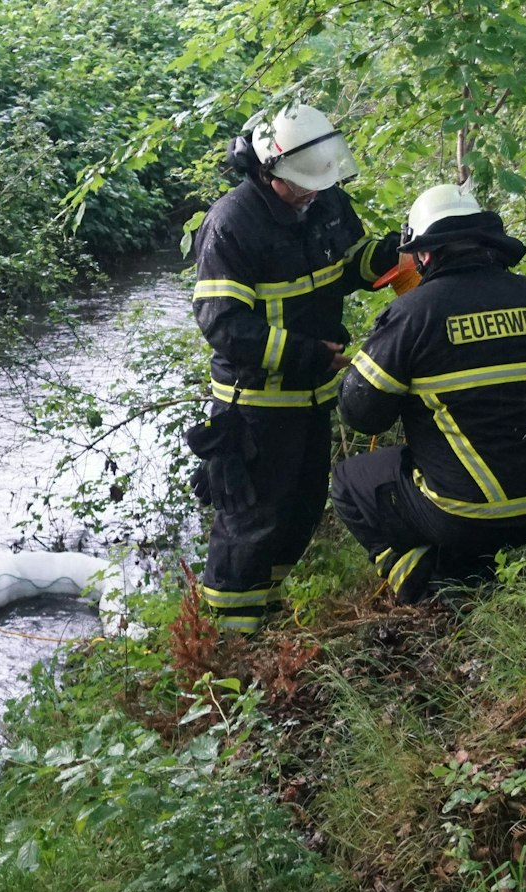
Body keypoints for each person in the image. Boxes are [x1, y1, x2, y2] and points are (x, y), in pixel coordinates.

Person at [189, 103, 402, 633]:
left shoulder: (324, 202)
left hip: (312, 399)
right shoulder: (233, 223)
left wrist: (395, 253)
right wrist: (305, 354)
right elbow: (225, 325)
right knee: (250, 525)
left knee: (301, 512)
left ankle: (265, 616)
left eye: (315, 182)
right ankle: (226, 642)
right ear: (267, 170)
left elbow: (350, 262)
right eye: (299, 185)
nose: (310, 191)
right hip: (256, 408)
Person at [329, 183, 526, 603]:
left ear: (425, 254)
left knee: (348, 482)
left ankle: (424, 582)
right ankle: (508, 552)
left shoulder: (413, 314)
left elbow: (361, 414)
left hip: (469, 515)